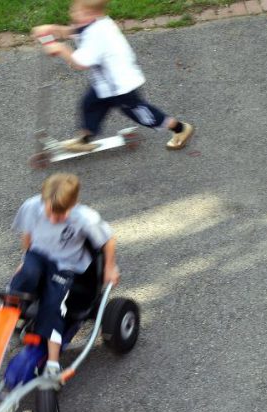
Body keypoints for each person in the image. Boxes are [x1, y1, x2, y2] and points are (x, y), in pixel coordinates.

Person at [31, 0, 194, 152]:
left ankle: (180, 128)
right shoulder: (95, 22)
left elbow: (80, 63)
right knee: (90, 105)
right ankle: (84, 139)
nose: (72, 12)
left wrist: (60, 48)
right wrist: (53, 29)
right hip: (105, 83)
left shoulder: (98, 35)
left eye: (77, 10)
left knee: (141, 114)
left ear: (90, 15)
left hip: (120, 86)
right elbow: (75, 31)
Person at [10, 173, 119, 376]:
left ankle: (52, 363)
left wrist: (109, 267)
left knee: (53, 306)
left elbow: (109, 240)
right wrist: (25, 259)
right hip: (39, 256)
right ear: (43, 201)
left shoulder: (85, 218)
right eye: (50, 212)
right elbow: (28, 235)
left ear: (74, 204)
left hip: (65, 265)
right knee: (24, 277)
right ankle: (9, 313)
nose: (53, 219)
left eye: (60, 216)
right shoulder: (31, 207)